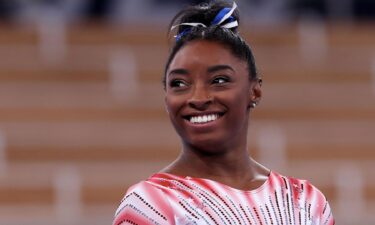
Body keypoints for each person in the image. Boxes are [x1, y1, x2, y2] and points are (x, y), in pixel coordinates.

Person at [113, 1, 334, 224]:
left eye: (219, 80)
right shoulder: (150, 204)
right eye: (179, 83)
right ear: (166, 99)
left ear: (254, 91)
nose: (198, 98)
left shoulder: (305, 201)